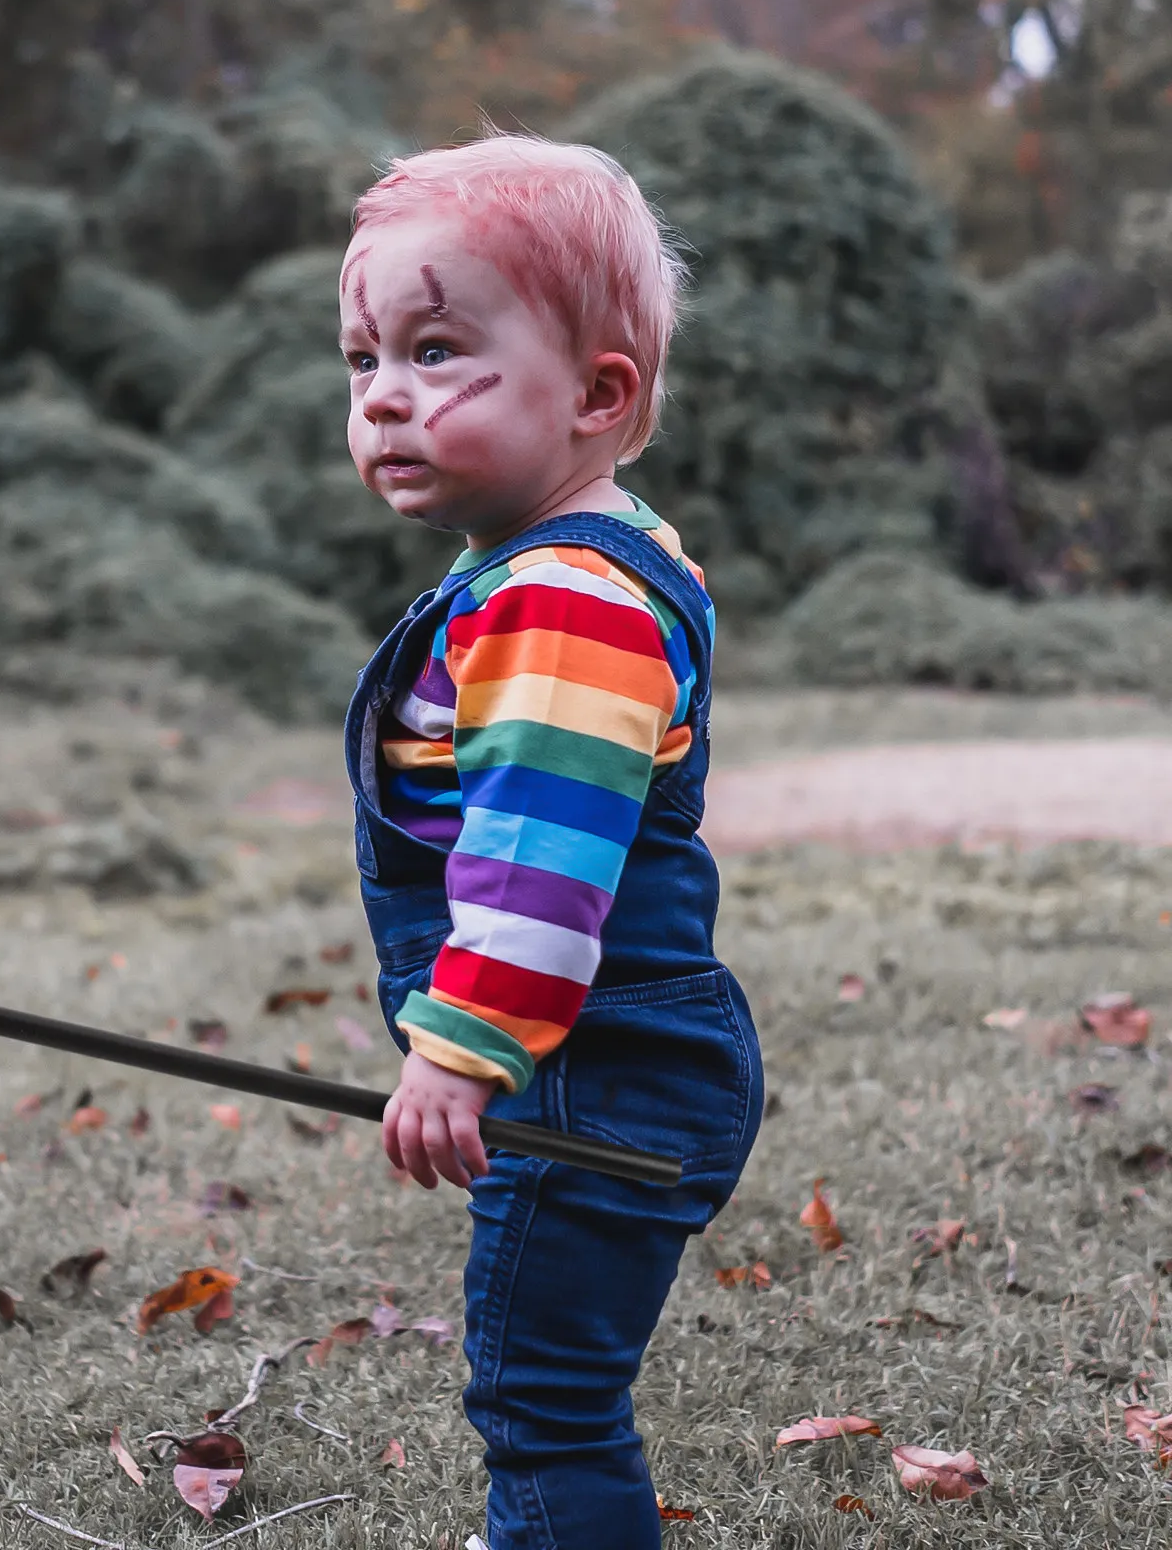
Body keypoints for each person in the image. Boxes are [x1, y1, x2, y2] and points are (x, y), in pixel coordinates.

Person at [339, 128, 764, 1550]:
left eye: (439, 352)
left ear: (598, 395)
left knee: (546, 1400)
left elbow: (544, 868)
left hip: (601, 1077)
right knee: (547, 1386)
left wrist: (459, 1049)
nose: (388, 399)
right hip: (604, 1065)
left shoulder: (562, 601)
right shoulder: (594, 554)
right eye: (364, 360)